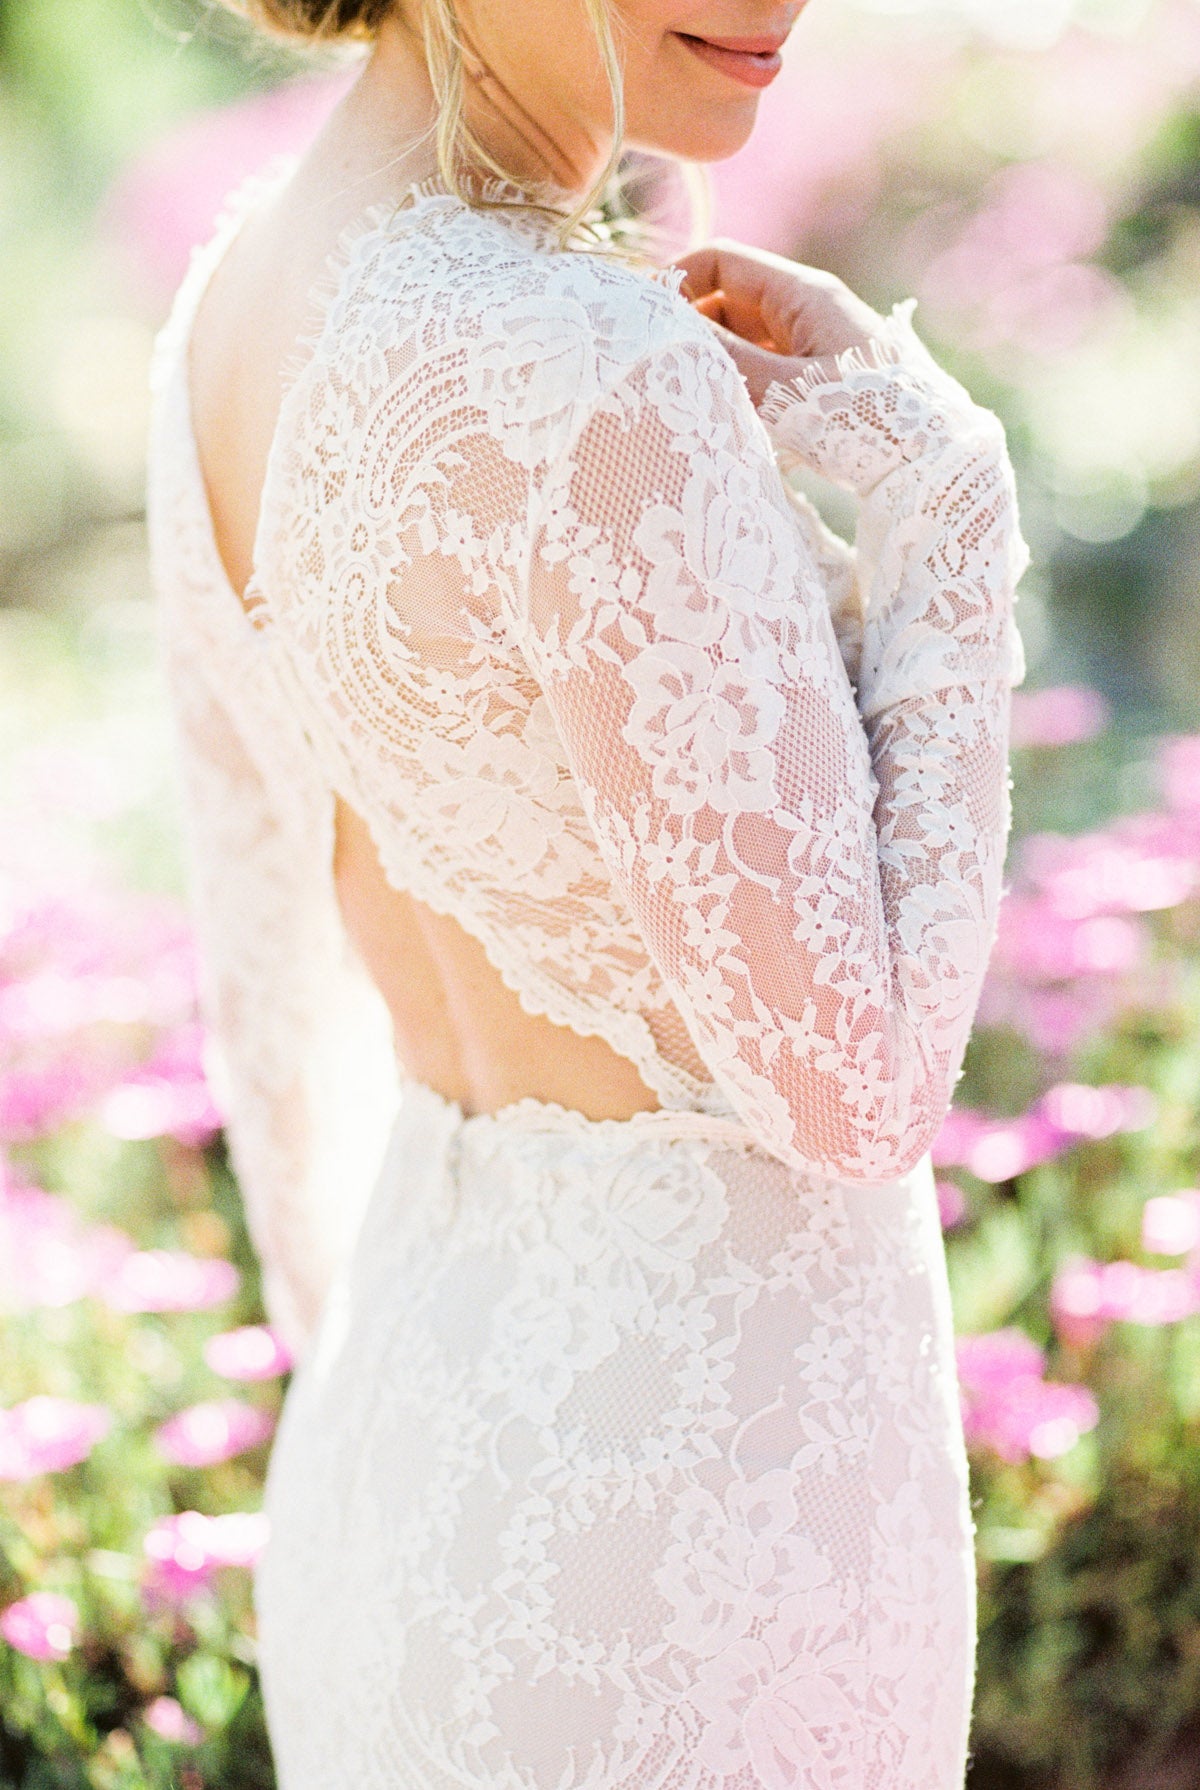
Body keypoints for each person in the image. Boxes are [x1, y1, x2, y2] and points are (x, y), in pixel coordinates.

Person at [146, 0, 1028, 1782]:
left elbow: (264, 978)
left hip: (397, 1475)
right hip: (700, 1555)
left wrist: (378, 1370)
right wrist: (947, 501)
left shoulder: (232, 307)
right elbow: (854, 1088)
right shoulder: (585, 363)